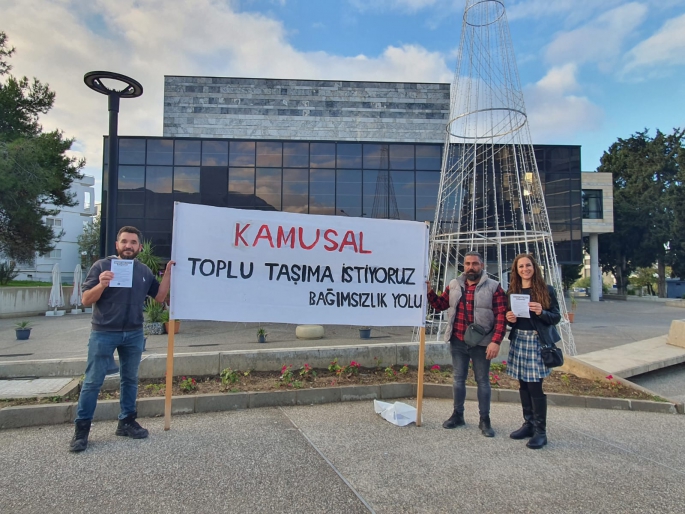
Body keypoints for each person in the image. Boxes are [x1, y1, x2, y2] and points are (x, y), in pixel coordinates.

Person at [69, 226, 174, 452]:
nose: (129, 246)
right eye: (124, 241)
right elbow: (86, 299)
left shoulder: (144, 270)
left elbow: (160, 296)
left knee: (130, 379)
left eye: (133, 242)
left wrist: (167, 273)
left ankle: (126, 422)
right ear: (117, 245)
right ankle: (82, 430)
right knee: (92, 382)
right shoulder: (101, 266)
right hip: (104, 332)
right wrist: (102, 283)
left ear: (140, 247)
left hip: (134, 333)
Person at [426, 251, 507, 437]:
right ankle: (458, 415)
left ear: (482, 265)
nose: (471, 267)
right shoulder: (454, 285)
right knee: (458, 379)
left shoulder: (494, 287)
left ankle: (485, 420)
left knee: (483, 381)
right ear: (464, 265)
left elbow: (501, 316)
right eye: (468, 263)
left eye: (475, 263)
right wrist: (430, 292)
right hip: (458, 340)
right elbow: (440, 305)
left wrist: (496, 341)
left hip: (482, 342)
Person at [505, 253, 561, 449]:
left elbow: (556, 317)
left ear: (534, 267)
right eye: (521, 267)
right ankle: (528, 423)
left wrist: (541, 312)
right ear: (516, 270)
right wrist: (508, 318)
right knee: (522, 384)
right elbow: (508, 317)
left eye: (528, 265)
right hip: (519, 339)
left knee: (535, 385)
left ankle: (540, 431)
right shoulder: (513, 291)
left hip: (537, 342)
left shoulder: (546, 290)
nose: (525, 269)